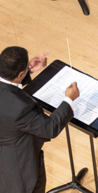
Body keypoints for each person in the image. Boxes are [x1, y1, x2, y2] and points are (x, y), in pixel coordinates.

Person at [0, 47, 80, 193]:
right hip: (18, 167)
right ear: (20, 74)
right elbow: (50, 128)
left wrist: (28, 71)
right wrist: (69, 100)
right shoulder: (19, 108)